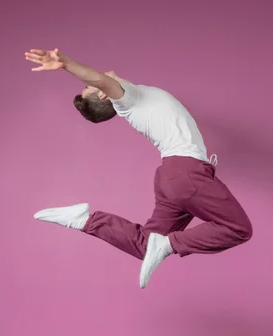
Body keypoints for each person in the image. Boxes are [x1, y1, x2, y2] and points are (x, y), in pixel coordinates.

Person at [24, 48, 253, 289]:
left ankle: (84, 220)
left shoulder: (137, 97)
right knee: (238, 229)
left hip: (171, 177)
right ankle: (168, 245)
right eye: (91, 85)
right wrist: (64, 63)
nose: (99, 75)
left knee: (146, 245)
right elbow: (101, 80)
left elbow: (102, 81)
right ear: (104, 95)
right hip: (186, 173)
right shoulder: (128, 98)